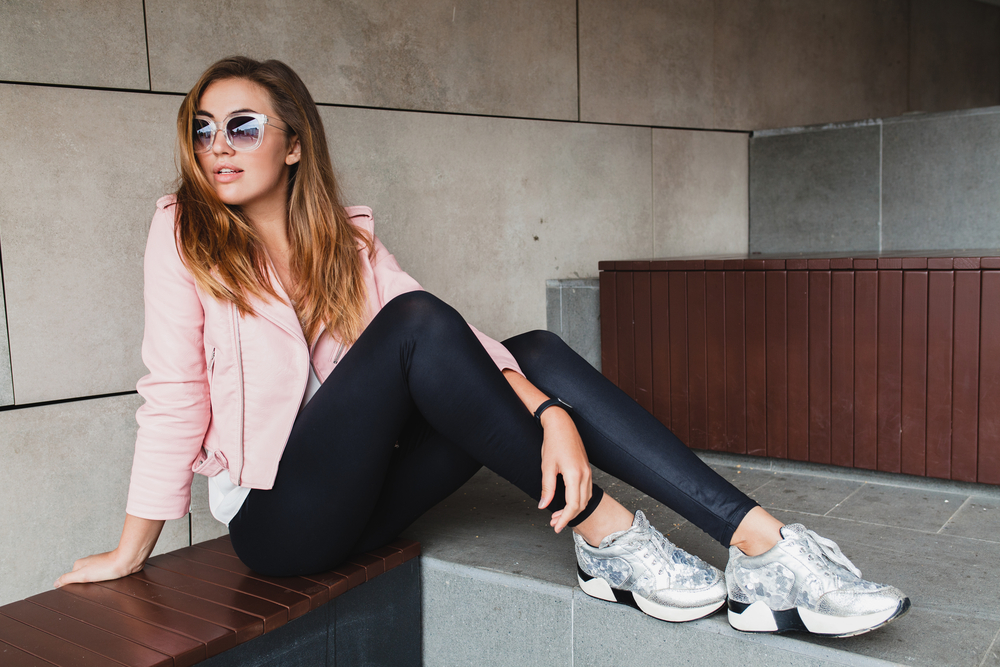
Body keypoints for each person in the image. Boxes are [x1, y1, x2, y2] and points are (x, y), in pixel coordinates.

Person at [56, 56, 908, 638]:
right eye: (203, 130)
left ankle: (762, 544)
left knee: (526, 344)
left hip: (369, 496)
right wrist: (136, 549)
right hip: (281, 521)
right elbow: (172, 392)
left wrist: (546, 407)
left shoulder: (343, 245)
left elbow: (466, 342)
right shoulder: (183, 234)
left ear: (293, 142)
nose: (218, 148)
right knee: (420, 321)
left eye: (242, 126)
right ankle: (606, 531)